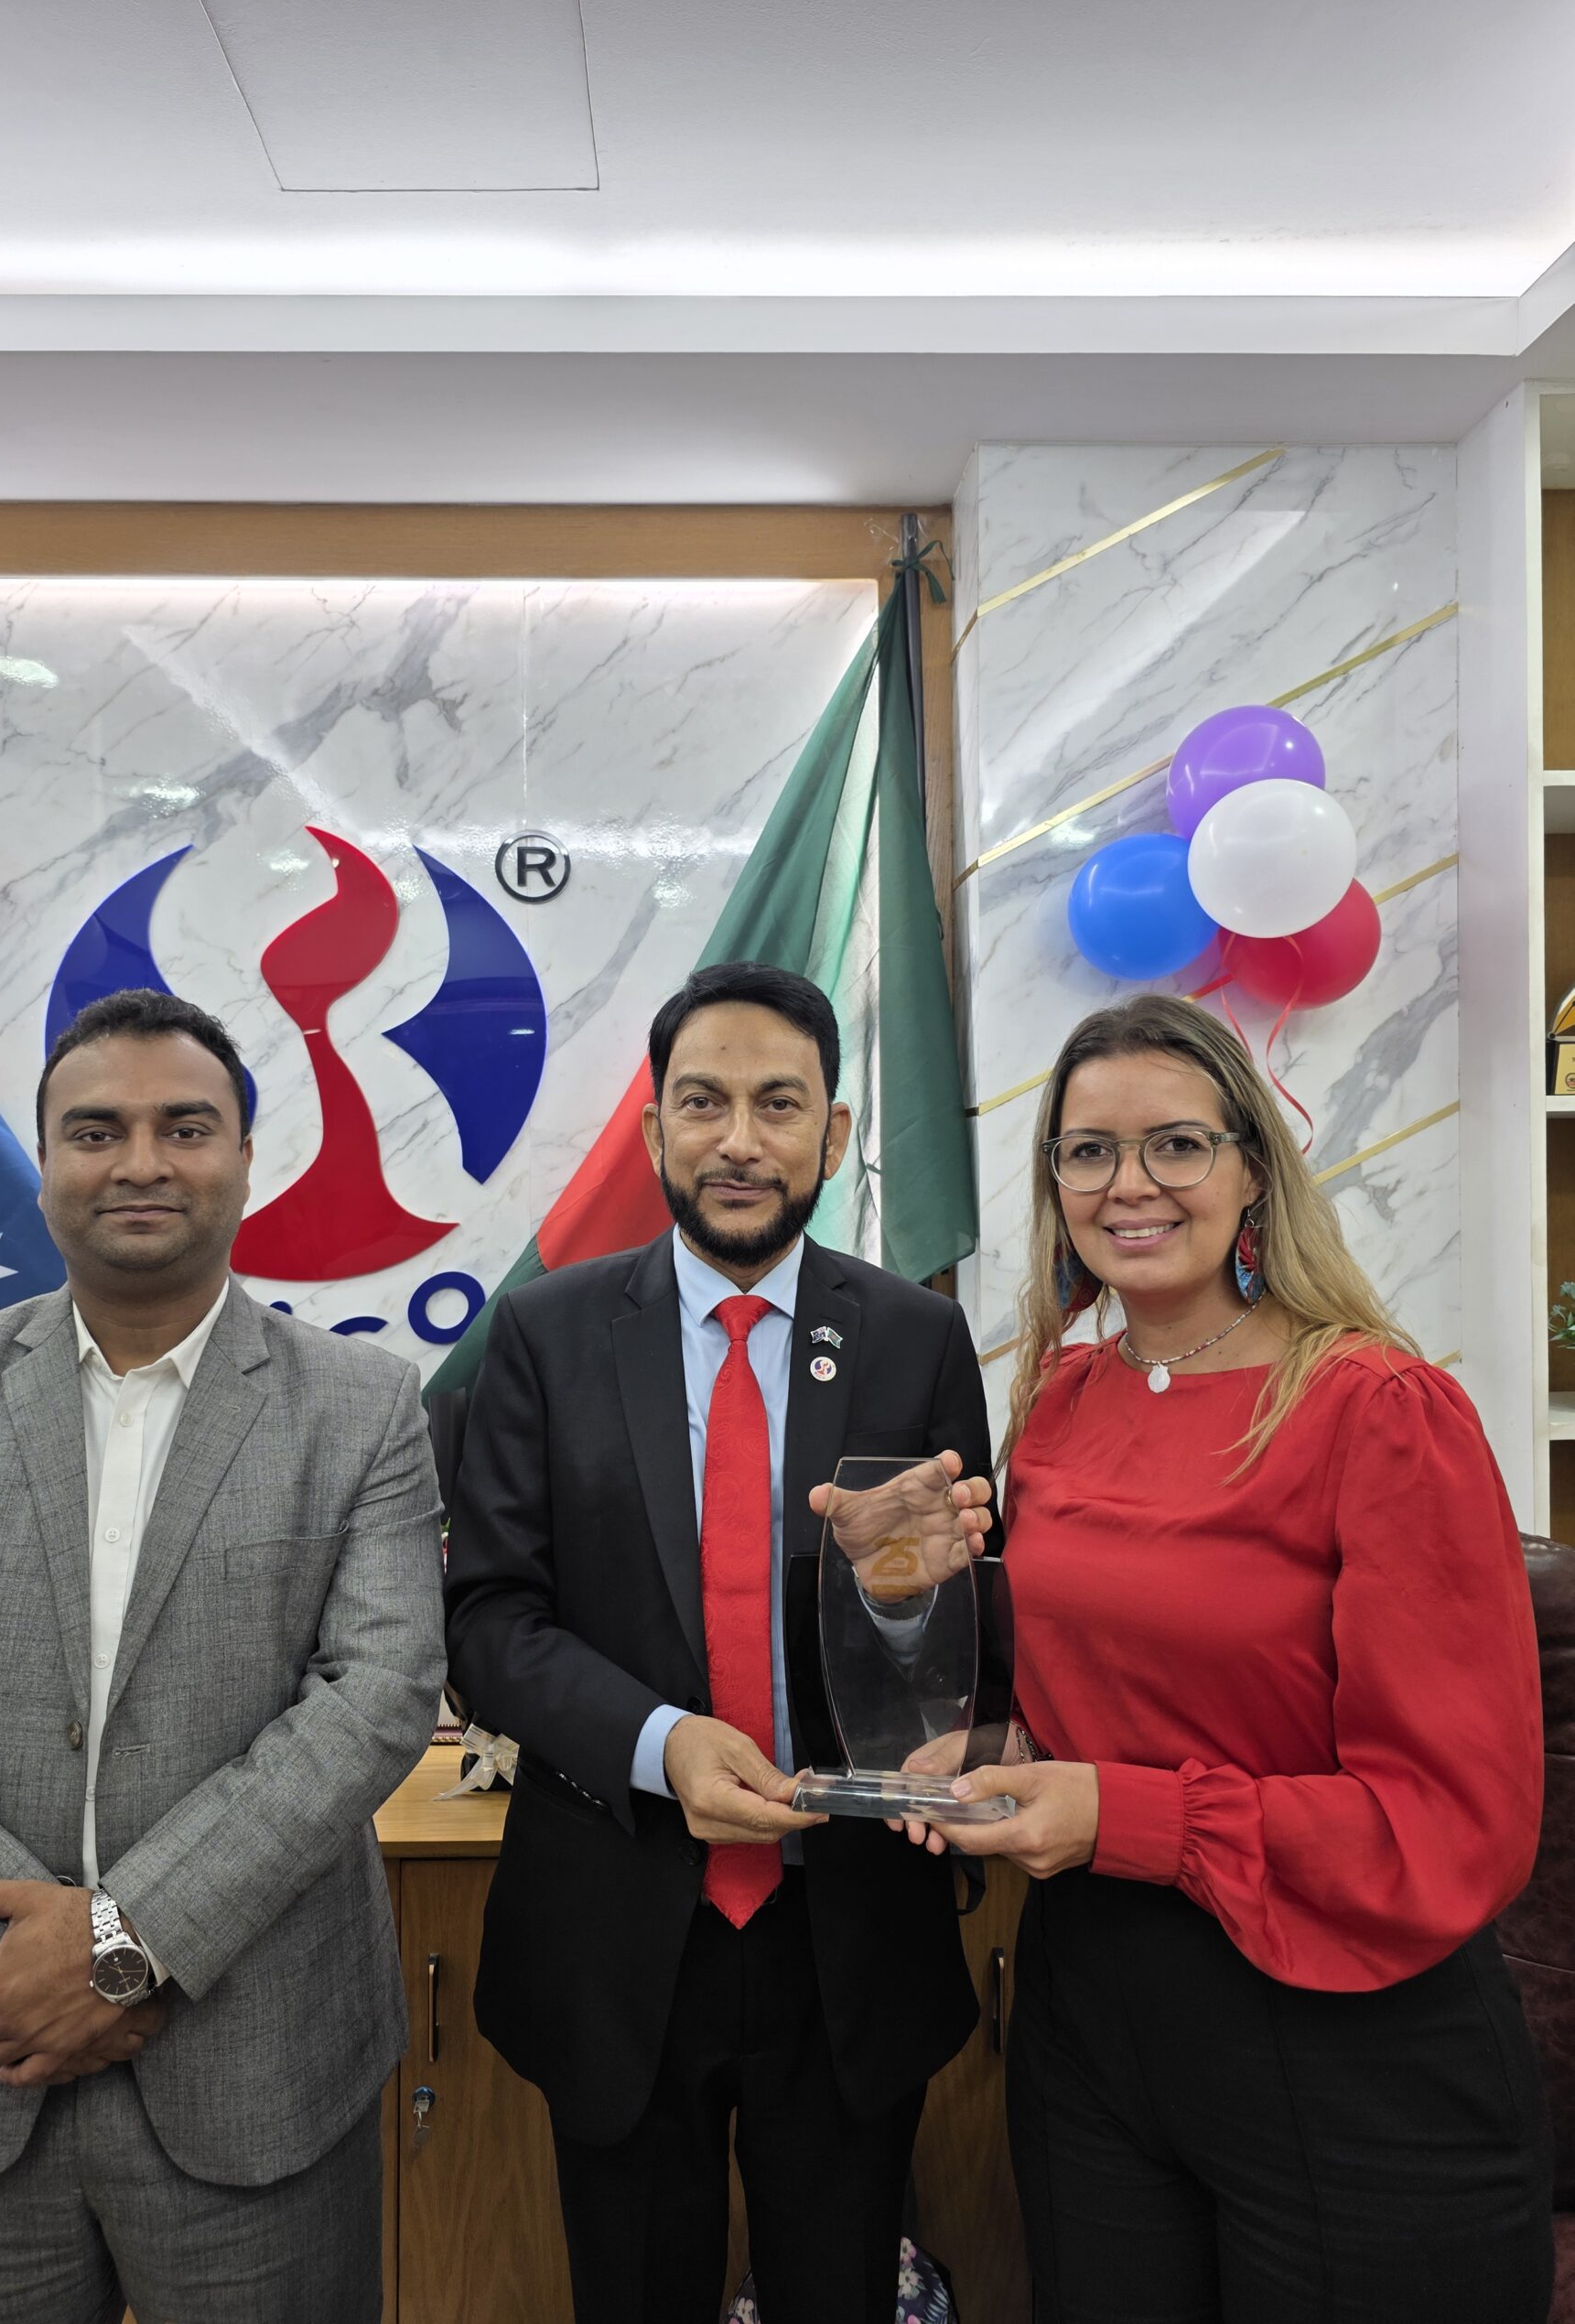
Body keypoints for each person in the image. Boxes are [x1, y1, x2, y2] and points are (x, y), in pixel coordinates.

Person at [895, 992, 1553, 2323]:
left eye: (1177, 1144)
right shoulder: (1059, 1398)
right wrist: (991, 1746)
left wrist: (1117, 1814)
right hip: (1093, 2024)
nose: (1128, 1184)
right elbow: (1101, 1706)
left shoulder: (1378, 1409)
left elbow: (1449, 1825)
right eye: (1088, 1151)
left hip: (1346, 2031)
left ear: (1254, 1168)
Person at [0, 988, 446, 2324]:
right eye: (96, 1131)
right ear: (44, 1161)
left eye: (186, 1128)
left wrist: (120, 1945)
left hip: (255, 2071)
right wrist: (16, 1971)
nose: (142, 1163)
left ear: (245, 1159)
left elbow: (377, 1698)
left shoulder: (364, 1407)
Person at [444, 959, 999, 2324]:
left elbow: (961, 1635)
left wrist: (904, 1592)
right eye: (702, 1103)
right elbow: (489, 1623)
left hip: (848, 1930)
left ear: (835, 1133)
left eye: (778, 1104)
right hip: (619, 1930)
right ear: (653, 1130)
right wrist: (660, 1743)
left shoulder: (918, 1339)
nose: (739, 1140)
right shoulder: (546, 1334)